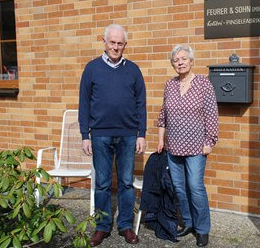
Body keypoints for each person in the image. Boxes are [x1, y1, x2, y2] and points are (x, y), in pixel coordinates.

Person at [78, 24, 147, 247]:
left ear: (125, 45)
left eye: (120, 43)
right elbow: (84, 104)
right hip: (100, 135)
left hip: (128, 135)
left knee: (126, 182)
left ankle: (125, 225)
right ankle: (102, 226)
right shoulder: (91, 69)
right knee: (103, 183)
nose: (115, 47)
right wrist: (85, 135)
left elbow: (141, 104)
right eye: (112, 42)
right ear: (104, 42)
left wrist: (141, 134)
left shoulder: (134, 70)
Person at [157, 44, 218, 247]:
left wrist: (210, 141)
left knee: (195, 187)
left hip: (196, 147)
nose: (180, 62)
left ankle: (202, 229)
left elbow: (211, 114)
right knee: (179, 188)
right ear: (172, 64)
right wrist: (160, 139)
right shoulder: (170, 84)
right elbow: (163, 114)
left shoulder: (203, 83)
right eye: (176, 60)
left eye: (184, 58)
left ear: (191, 61)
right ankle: (189, 223)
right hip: (173, 146)